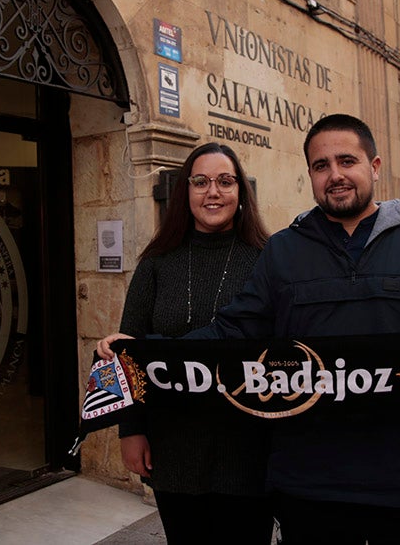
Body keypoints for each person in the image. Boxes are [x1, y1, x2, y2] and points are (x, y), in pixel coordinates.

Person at [101, 114, 400, 545]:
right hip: (311, 485)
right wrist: (145, 355)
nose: (335, 175)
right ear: (309, 174)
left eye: (347, 161)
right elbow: (230, 334)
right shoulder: (283, 252)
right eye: (321, 165)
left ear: (375, 166)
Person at [109, 142, 274, 544]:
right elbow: (129, 352)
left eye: (225, 181)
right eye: (200, 182)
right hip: (174, 444)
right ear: (185, 192)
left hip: (249, 447)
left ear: (241, 193)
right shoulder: (156, 263)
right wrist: (130, 430)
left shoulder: (269, 260)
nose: (212, 192)